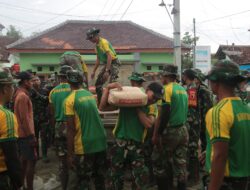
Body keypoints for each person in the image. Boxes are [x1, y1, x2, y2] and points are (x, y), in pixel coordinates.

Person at [99, 81, 163, 190]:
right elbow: (102, 107)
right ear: (147, 90)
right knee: (115, 176)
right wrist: (107, 88)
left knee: (140, 177)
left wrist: (137, 107)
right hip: (120, 142)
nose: (154, 100)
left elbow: (148, 124)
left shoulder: (151, 107)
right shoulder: (129, 97)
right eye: (153, 96)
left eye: (157, 99)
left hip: (137, 145)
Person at [204, 60, 250, 190]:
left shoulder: (218, 112)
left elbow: (220, 156)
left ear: (215, 81)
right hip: (244, 180)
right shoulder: (246, 108)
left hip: (225, 182)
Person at [64, 70, 107, 190]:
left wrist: (70, 154)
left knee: (84, 180)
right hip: (100, 141)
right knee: (99, 179)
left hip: (85, 144)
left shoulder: (70, 100)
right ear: (81, 81)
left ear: (68, 82)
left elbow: (70, 129)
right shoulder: (89, 95)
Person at [152, 64, 189, 190]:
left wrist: (157, 134)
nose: (161, 77)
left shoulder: (166, 90)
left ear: (166, 76)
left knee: (160, 162)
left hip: (170, 131)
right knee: (180, 163)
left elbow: (164, 114)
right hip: (183, 131)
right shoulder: (183, 90)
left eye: (162, 75)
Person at [49, 65, 73, 190]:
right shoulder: (74, 89)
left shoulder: (53, 92)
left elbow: (52, 115)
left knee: (62, 160)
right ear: (70, 76)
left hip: (59, 126)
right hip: (72, 126)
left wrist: (54, 132)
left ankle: (64, 186)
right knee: (74, 155)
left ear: (60, 76)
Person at [0, 68, 22, 190]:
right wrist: (18, 182)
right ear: (5, 89)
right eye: (12, 86)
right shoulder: (6, 116)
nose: (14, 90)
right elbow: (11, 154)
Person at [14, 71, 36, 190]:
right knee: (31, 162)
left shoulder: (20, 93)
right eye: (31, 81)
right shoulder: (22, 96)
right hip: (26, 135)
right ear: (25, 82)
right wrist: (31, 136)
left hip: (23, 134)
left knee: (24, 161)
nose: (32, 83)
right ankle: (29, 187)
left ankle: (21, 185)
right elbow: (24, 119)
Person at [86, 27, 121, 103]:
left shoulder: (104, 42)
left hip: (114, 62)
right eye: (89, 39)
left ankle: (115, 104)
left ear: (96, 35)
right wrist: (94, 71)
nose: (91, 40)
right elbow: (98, 60)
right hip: (107, 64)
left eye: (91, 38)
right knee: (98, 84)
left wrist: (107, 71)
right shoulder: (96, 46)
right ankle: (101, 103)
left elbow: (110, 57)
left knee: (112, 84)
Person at [193, 69, 213, 153]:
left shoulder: (203, 90)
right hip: (199, 119)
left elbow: (208, 107)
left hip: (205, 120)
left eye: (194, 78)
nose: (193, 79)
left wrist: (204, 121)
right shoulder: (195, 89)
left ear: (198, 79)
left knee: (205, 141)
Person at [31, 76, 50, 162]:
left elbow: (47, 101)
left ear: (40, 81)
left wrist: (37, 95)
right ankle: (37, 155)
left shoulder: (45, 91)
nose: (35, 81)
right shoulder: (29, 92)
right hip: (33, 119)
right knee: (34, 137)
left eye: (37, 80)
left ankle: (45, 155)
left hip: (43, 118)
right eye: (33, 80)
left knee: (44, 137)